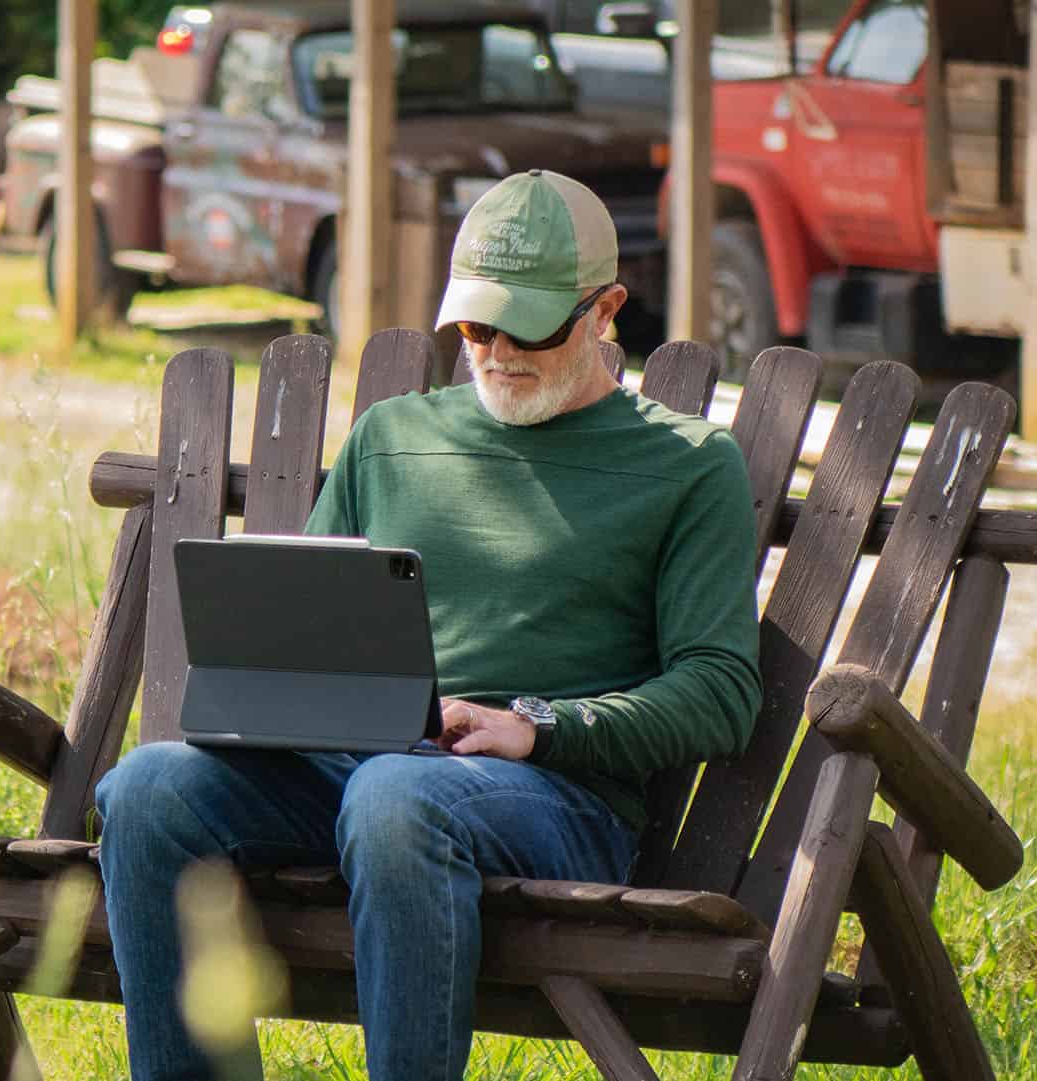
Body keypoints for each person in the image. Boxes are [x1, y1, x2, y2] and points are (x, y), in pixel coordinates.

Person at [94, 169, 763, 1081]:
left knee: (397, 799)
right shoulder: (392, 435)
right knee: (148, 789)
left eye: (529, 327)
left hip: (556, 793)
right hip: (361, 766)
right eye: (479, 325)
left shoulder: (688, 466)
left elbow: (721, 687)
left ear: (606, 308)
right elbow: (308, 619)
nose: (495, 351)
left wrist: (538, 727)